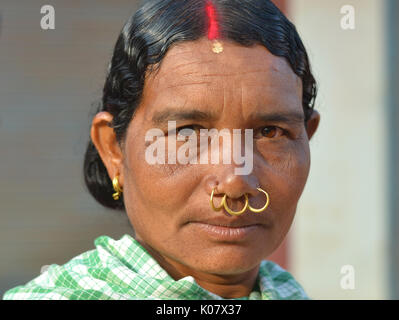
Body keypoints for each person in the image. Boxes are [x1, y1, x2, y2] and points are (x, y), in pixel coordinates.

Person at [3, 0, 320, 300]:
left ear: (307, 138)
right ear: (113, 149)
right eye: (188, 131)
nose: (236, 181)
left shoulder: (284, 290)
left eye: (269, 132)